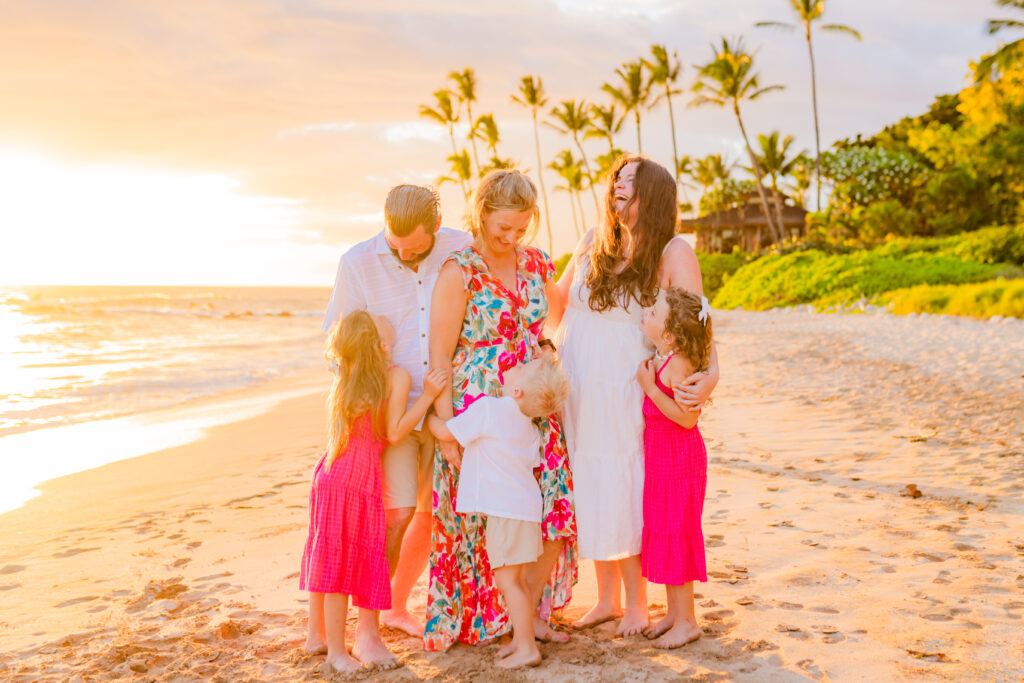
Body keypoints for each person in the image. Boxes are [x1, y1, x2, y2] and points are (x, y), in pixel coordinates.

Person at [549, 154, 719, 636]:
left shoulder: (672, 252)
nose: (618, 185)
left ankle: (638, 603)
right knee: (592, 480)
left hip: (627, 384)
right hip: (579, 385)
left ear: (654, 195)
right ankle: (606, 598)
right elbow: (558, 304)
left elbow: (698, 324)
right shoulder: (591, 242)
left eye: (630, 180)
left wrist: (713, 372)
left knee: (626, 483)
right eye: (616, 178)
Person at [426, 169, 577, 651]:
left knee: (553, 512)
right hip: (480, 416)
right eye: (502, 228)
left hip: (533, 408)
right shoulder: (459, 270)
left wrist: (547, 351)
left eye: (520, 229)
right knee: (484, 520)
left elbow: (552, 319)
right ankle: (501, 621)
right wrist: (447, 432)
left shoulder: (536, 262)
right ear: (482, 214)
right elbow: (439, 359)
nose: (511, 238)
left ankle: (530, 613)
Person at [322, 184, 472, 636]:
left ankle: (396, 606)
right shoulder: (358, 263)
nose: (404, 255)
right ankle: (367, 608)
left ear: (436, 227)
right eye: (395, 246)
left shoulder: (461, 248)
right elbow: (335, 345)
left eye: (415, 248)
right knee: (398, 514)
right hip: (396, 415)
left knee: (434, 513)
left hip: (451, 407)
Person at [299, 311, 448, 672]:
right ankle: (336, 652)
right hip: (352, 481)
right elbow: (395, 433)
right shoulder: (387, 381)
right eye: (387, 341)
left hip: (329, 474)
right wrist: (427, 397)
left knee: (328, 555)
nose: (390, 347)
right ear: (379, 346)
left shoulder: (349, 382)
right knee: (337, 565)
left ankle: (316, 635)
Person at [427, 354, 570, 669]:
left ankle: (527, 649)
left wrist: (429, 418)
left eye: (522, 369)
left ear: (517, 391)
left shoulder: (489, 409)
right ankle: (520, 641)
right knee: (517, 581)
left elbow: (447, 431)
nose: (516, 365)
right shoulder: (529, 428)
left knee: (509, 584)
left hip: (505, 515)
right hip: (525, 513)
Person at [635, 288, 712, 648]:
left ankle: (687, 621)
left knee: (677, 534)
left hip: (680, 462)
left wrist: (651, 389)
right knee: (666, 532)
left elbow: (686, 418)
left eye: (652, 312)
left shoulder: (678, 364)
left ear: (668, 335)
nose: (645, 313)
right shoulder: (666, 357)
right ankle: (672, 613)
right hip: (663, 463)